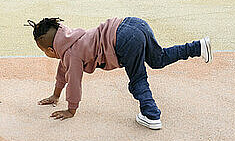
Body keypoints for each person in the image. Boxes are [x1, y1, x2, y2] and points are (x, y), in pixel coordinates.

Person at [30, 17, 212, 130]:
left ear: (50, 50)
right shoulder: (71, 41)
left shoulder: (71, 53)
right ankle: (198, 46)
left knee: (137, 78)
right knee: (158, 59)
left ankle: (151, 115)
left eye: (44, 51)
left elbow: (74, 82)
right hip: (134, 23)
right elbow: (64, 70)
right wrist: (55, 95)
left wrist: (71, 109)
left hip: (123, 39)